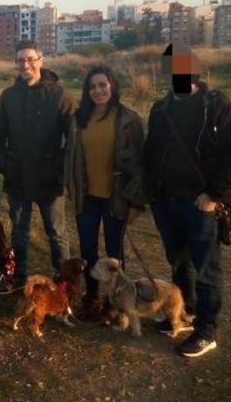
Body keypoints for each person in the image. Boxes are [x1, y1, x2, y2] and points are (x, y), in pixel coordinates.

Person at [144, 43, 231, 358]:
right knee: (179, 262)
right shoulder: (160, 109)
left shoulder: (217, 107)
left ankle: (207, 331)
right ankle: (185, 313)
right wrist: (151, 193)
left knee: (206, 269)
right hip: (165, 202)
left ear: (194, 69)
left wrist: (215, 195)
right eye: (171, 68)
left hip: (201, 204)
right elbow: (151, 154)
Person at [63, 66, 147, 320]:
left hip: (116, 199)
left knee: (115, 254)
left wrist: (136, 202)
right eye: (93, 87)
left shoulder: (128, 120)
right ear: (87, 92)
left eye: (103, 85)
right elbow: (71, 157)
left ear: (112, 86)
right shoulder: (78, 120)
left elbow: (139, 164)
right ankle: (91, 297)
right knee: (87, 250)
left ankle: (115, 301)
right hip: (87, 197)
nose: (98, 91)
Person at [0, 41, 73, 284]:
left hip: (50, 177)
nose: (25, 64)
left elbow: (74, 138)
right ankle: (19, 278)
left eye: (30, 59)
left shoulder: (60, 95)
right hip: (18, 175)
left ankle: (64, 281)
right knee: (19, 233)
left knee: (56, 233)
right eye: (20, 60)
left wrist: (62, 169)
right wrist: (4, 165)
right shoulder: (8, 97)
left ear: (41, 60)